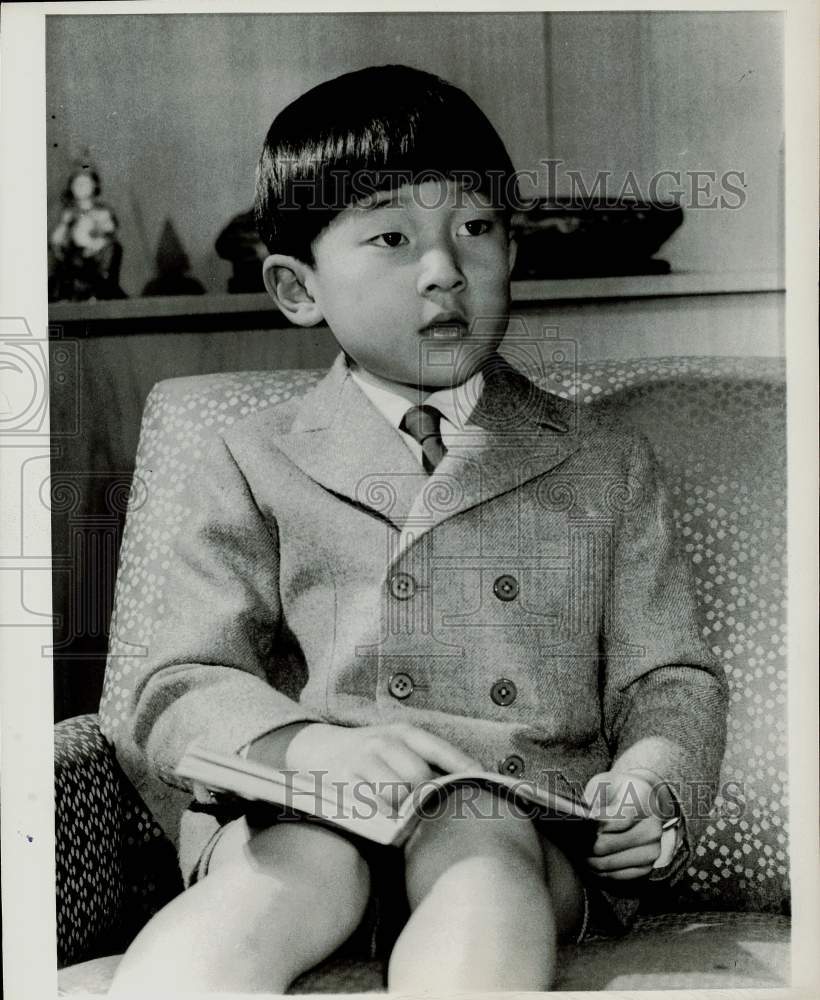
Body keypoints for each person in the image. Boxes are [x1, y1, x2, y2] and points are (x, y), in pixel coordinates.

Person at [106, 65, 728, 993]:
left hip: (519, 815)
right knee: (281, 880)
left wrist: (651, 789)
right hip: (311, 807)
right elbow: (181, 682)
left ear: (511, 254)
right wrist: (305, 748)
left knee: (482, 862)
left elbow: (669, 680)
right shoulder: (251, 456)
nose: (445, 268)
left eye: (475, 229)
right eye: (393, 236)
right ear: (295, 287)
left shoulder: (605, 459)